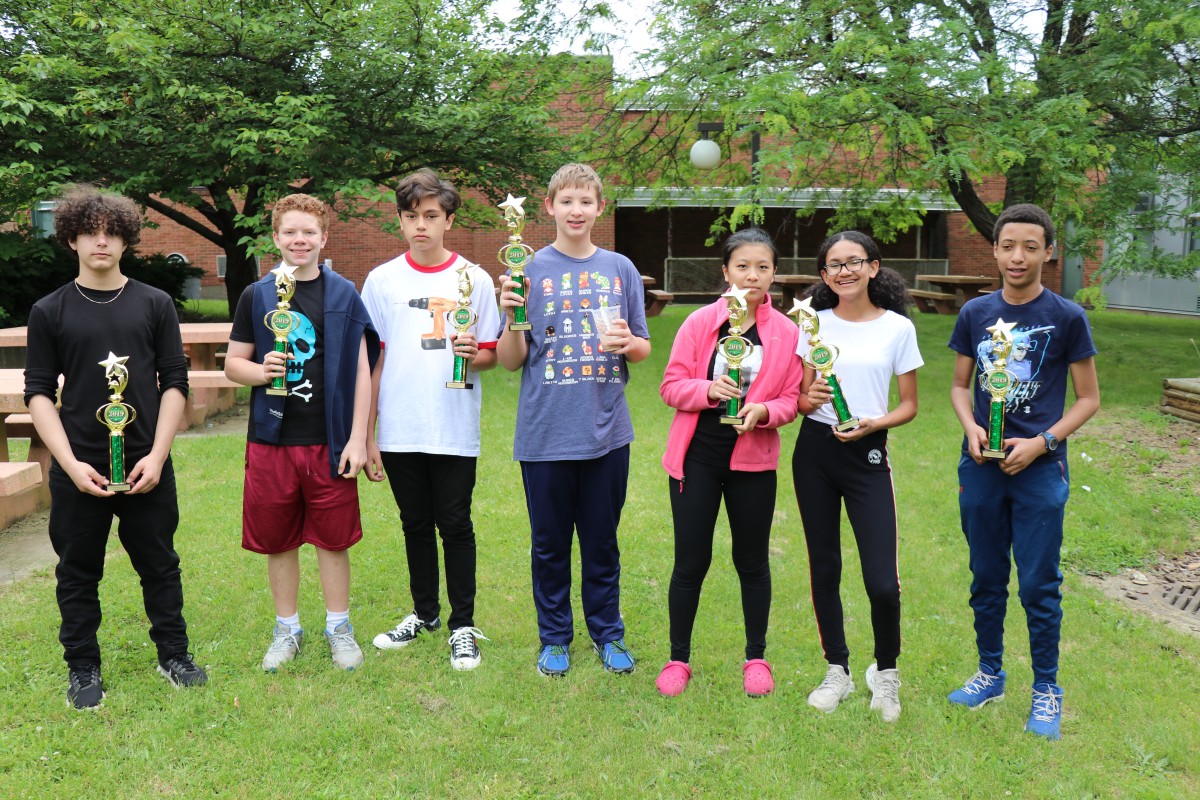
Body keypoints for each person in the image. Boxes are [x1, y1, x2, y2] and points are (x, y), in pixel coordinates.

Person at [25, 185, 207, 709]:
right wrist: (69, 464)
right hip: (80, 465)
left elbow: (175, 381)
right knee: (78, 570)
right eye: (90, 232)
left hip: (148, 462)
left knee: (160, 563)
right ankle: (83, 669)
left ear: (126, 239)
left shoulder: (153, 304)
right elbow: (38, 392)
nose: (101, 242)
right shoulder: (49, 310)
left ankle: (174, 655)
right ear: (71, 239)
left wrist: (159, 453)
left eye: (111, 232)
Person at [947, 203, 1099, 740]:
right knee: (986, 578)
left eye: (1030, 246)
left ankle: (1046, 689)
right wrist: (970, 426)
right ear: (994, 250)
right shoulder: (974, 314)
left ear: (1048, 252)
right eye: (1008, 245)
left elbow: (1088, 399)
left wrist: (1042, 443)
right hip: (982, 467)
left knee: (1038, 583)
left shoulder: (1066, 317)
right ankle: (990, 673)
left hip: (1039, 469)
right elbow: (961, 386)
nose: (1018, 256)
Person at [497, 162, 651, 676]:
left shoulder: (620, 268)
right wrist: (513, 315)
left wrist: (629, 342)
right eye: (567, 201)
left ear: (599, 208)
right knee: (549, 546)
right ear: (549, 208)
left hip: (606, 433)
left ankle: (608, 634)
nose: (577, 210)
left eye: (586, 201)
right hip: (544, 434)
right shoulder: (527, 269)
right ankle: (555, 638)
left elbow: (643, 347)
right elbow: (511, 360)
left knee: (602, 543)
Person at [225, 193, 379, 673]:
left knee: (333, 539)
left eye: (309, 232)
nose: (299, 240)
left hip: (328, 441)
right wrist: (261, 371)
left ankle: (339, 627)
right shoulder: (258, 295)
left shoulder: (343, 294)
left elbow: (361, 371)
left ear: (324, 238)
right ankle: (287, 627)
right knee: (279, 539)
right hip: (272, 441)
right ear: (275, 238)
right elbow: (233, 364)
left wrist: (358, 438)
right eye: (290, 232)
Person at [655, 228, 804, 698]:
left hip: (753, 465)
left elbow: (791, 400)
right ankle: (678, 659)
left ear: (774, 274)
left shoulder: (787, 333)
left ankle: (756, 657)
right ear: (725, 272)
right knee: (691, 561)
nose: (752, 275)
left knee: (752, 561)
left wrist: (763, 413)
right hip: (696, 460)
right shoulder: (700, 323)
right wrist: (706, 391)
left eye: (763, 266)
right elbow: (670, 385)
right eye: (742, 266)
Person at [362, 169, 500, 670]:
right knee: (414, 523)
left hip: (453, 423)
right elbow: (372, 360)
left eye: (431, 216)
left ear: (449, 220)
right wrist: (370, 433)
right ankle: (424, 614)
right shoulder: (381, 281)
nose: (421, 226)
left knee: (455, 524)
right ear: (400, 221)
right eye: (411, 216)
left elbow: (490, 354)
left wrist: (473, 352)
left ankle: (463, 625)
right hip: (401, 424)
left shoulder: (475, 278)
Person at [793, 231, 923, 723]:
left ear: (873, 267)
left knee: (882, 581)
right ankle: (837, 670)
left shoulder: (897, 328)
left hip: (867, 451)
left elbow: (909, 405)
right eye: (834, 265)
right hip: (815, 452)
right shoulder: (812, 324)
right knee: (824, 567)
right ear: (824, 275)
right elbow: (803, 399)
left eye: (854, 261)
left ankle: (885, 674)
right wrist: (813, 397)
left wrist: (875, 423)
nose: (844, 271)